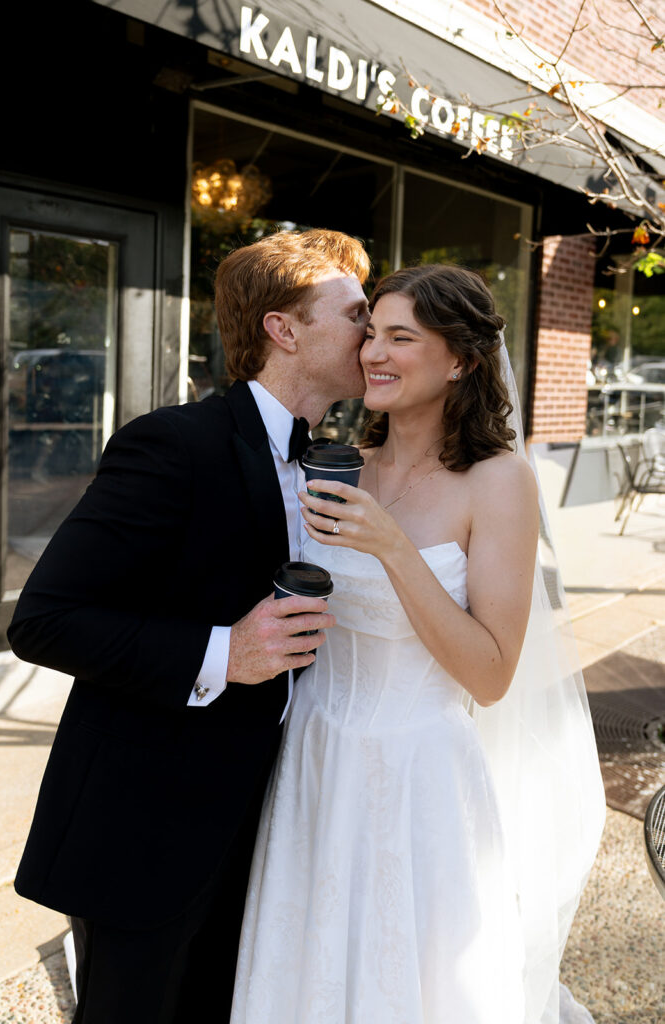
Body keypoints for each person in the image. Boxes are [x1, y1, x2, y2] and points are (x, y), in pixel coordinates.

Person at [7, 228, 371, 1024]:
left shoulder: (334, 462)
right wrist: (223, 652)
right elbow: (44, 620)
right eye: (354, 313)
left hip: (269, 822)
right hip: (148, 824)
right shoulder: (173, 444)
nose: (371, 330)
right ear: (283, 329)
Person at [230, 265, 605, 1023]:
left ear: (460, 359)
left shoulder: (498, 482)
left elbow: (490, 676)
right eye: (371, 333)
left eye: (400, 337)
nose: (373, 352)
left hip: (415, 776)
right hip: (311, 757)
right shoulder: (338, 462)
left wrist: (393, 547)